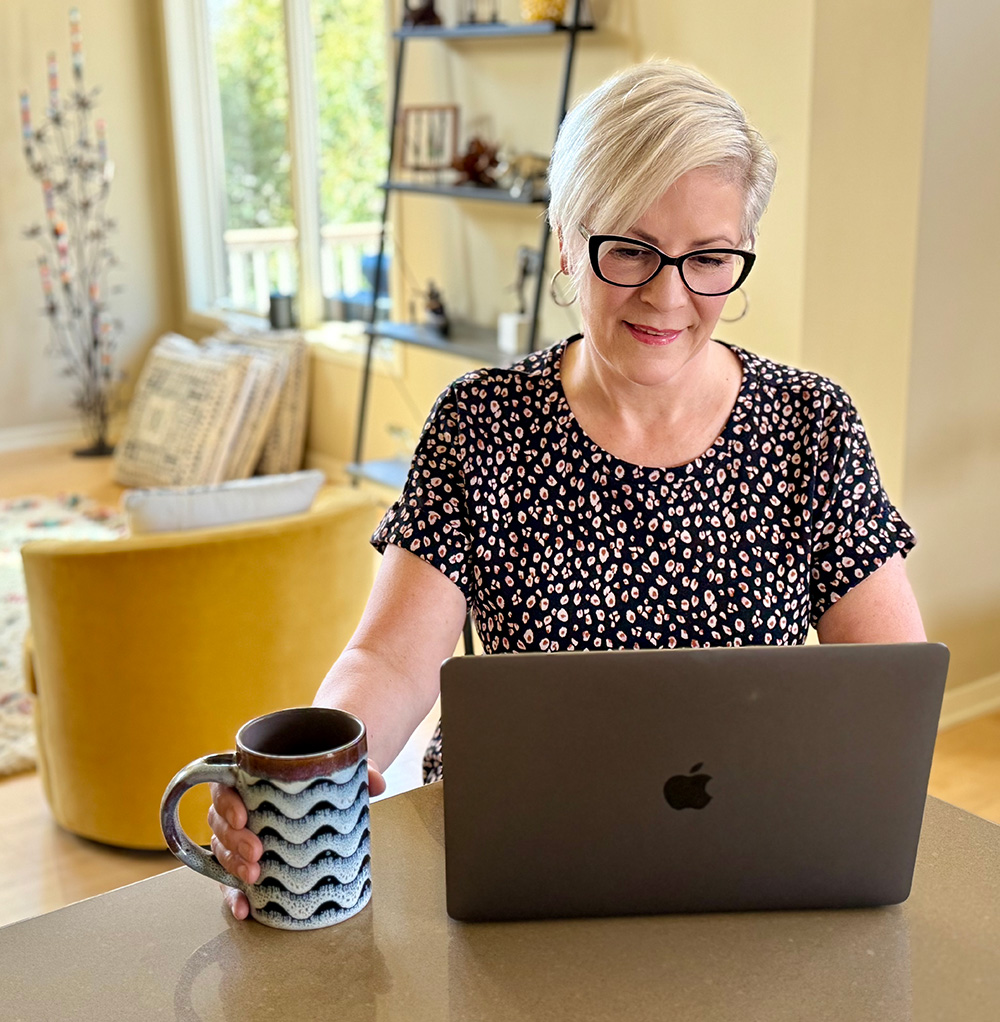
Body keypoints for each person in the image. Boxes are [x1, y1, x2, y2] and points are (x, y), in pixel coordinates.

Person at [210, 60, 925, 919]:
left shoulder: (811, 425)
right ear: (563, 239)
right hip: (512, 858)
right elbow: (389, 659)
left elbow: (888, 687)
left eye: (708, 258)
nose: (668, 296)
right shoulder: (479, 423)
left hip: (750, 864)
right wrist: (317, 779)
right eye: (629, 248)